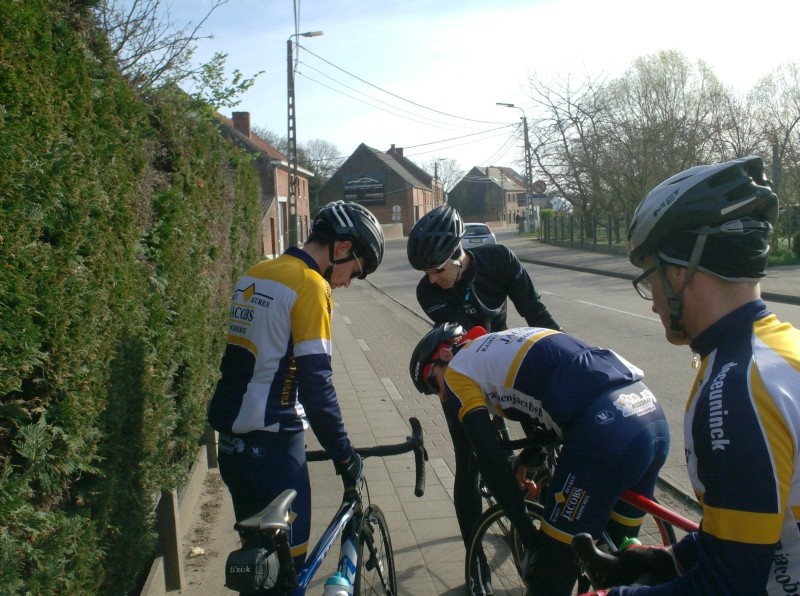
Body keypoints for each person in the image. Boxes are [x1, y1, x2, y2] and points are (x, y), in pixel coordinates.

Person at [580, 156, 800, 595]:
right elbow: (760, 522)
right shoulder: (778, 350)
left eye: (651, 277)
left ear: (679, 273)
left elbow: (729, 586)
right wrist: (676, 558)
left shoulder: (736, 392)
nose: (653, 301)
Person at [409, 323, 670, 596]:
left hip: (604, 433)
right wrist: (529, 457)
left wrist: (528, 534)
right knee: (619, 566)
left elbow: (489, 460)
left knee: (548, 577)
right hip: (648, 413)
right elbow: (547, 401)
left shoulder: (457, 372)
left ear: (445, 356)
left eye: (431, 383)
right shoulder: (505, 341)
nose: (439, 394)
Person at [207, 201, 385, 579]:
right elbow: (317, 387)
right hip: (276, 451)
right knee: (289, 575)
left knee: (258, 571)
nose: (347, 282)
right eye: (355, 271)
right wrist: (344, 454)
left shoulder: (258, 272)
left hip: (233, 450)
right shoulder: (311, 285)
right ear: (342, 249)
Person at [406, 206, 563, 594]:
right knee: (470, 459)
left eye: (439, 269)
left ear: (460, 254)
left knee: (550, 435)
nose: (433, 280)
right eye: (427, 273)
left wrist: (563, 353)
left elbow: (535, 312)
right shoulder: (428, 291)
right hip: (461, 367)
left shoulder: (499, 260)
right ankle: (475, 564)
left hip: (512, 362)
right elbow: (464, 339)